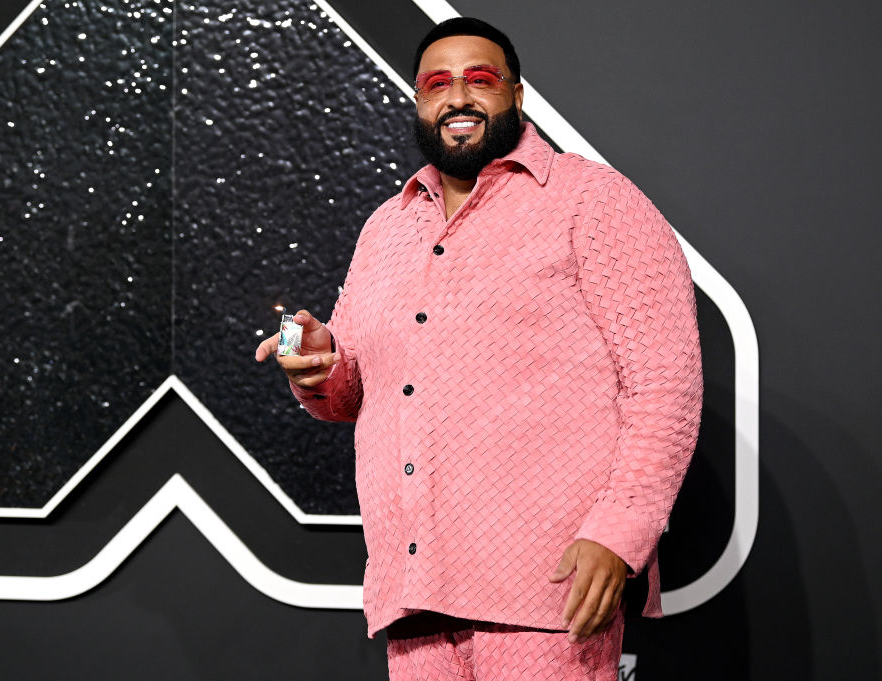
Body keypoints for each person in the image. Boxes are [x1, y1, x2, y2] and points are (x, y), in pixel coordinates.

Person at [255, 17, 702, 681]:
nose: (458, 97)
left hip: (551, 597)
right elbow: (350, 394)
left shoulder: (595, 202)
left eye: (480, 80)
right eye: (438, 83)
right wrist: (320, 365)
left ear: (516, 97)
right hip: (414, 599)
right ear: (418, 102)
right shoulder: (387, 225)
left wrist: (619, 533)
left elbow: (665, 386)